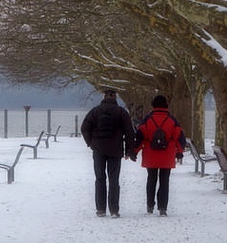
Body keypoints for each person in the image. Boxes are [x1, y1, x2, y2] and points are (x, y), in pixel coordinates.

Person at [80, 88, 137, 218]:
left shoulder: (94, 112)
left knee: (100, 178)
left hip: (98, 149)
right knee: (114, 179)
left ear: (104, 97)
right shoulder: (121, 112)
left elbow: (84, 128)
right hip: (115, 149)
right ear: (115, 97)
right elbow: (129, 132)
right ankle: (114, 210)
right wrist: (129, 150)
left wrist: (91, 142)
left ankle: (100, 209)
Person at [133, 95, 186, 216]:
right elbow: (180, 137)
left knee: (151, 179)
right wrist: (179, 152)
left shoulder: (147, 119)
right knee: (164, 180)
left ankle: (150, 205)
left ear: (153, 105)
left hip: (151, 155)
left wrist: (134, 152)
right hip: (167, 155)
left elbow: (140, 137)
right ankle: (163, 208)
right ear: (166, 105)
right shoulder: (172, 120)